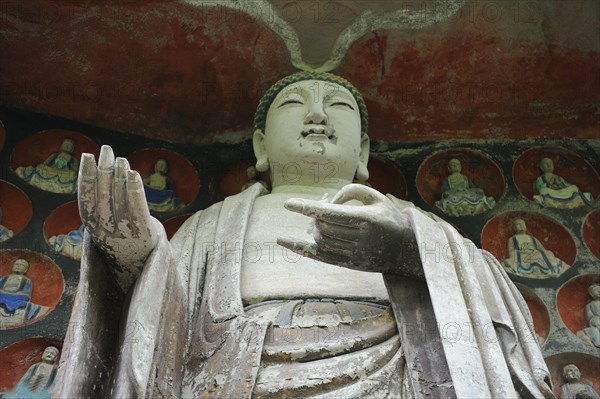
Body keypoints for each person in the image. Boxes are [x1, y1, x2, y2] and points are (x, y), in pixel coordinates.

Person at [55, 72, 553, 398]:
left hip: (395, 368)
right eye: (295, 104)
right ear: (260, 147)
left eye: (337, 105)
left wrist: (413, 253)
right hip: (238, 371)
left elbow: (492, 302)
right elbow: (165, 327)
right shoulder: (211, 224)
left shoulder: (413, 221)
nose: (317, 115)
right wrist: (134, 256)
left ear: (363, 151)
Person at [503, 218, 569, 278]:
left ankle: (550, 271)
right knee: (509, 262)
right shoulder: (512, 239)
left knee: (549, 253)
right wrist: (523, 250)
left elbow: (541, 249)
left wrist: (541, 251)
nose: (521, 226)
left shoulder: (532, 238)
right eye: (518, 224)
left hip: (536, 254)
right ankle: (524, 272)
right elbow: (511, 251)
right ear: (514, 228)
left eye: (523, 224)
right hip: (522, 255)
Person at [0, 259, 48, 328]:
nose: (18, 266)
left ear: (25, 270)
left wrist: (13, 294)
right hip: (2, 296)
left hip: (16, 299)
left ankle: (12, 316)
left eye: (21, 265)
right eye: (17, 264)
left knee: (22, 303)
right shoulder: (4, 278)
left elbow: (26, 295)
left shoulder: (26, 281)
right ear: (13, 266)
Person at [576, 283, 600, 348]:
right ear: (591, 294)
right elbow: (589, 317)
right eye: (596, 289)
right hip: (597, 323)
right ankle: (597, 341)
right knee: (596, 321)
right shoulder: (590, 305)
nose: (599, 291)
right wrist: (593, 319)